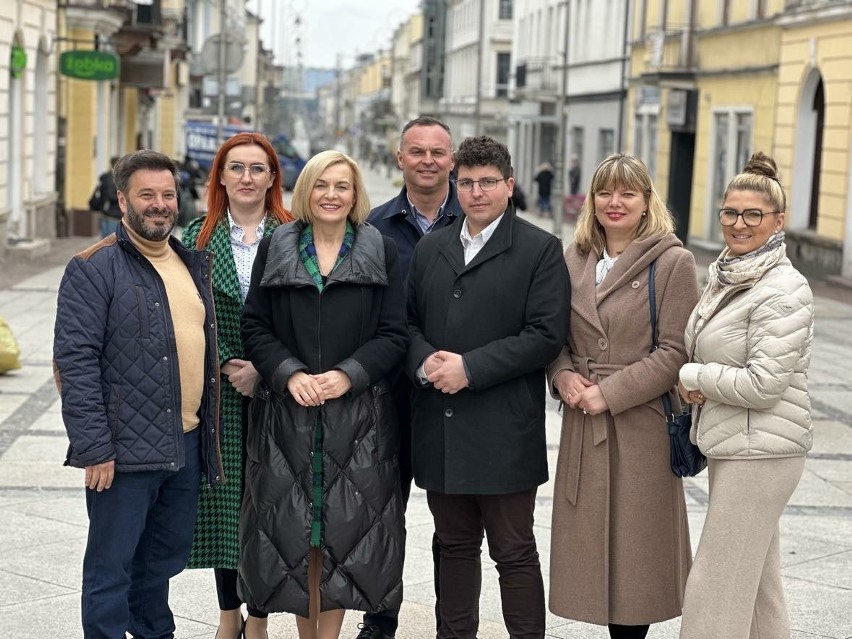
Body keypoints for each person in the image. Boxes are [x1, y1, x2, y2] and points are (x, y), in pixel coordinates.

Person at [239, 150, 409, 639]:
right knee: (296, 540)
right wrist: (290, 374)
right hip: (287, 421)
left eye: (342, 186)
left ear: (356, 195)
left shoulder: (379, 248)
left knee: (341, 541)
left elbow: (394, 333)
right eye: (322, 185)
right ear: (306, 191)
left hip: (356, 422)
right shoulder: (278, 246)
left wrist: (347, 374)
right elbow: (256, 325)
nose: (332, 195)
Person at [53, 150, 223, 638]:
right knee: (110, 571)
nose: (160, 204)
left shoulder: (191, 263)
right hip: (121, 457)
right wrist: (94, 448)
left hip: (185, 444)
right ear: (123, 200)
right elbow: (74, 363)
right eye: (147, 195)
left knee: (159, 566)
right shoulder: (93, 267)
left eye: (167, 195)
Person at [406, 136, 571, 638]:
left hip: (504, 432)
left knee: (513, 551)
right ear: (456, 185)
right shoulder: (432, 245)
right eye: (468, 182)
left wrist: (470, 369)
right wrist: (425, 363)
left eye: (488, 182)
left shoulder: (540, 249)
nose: (477, 192)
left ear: (509, 185)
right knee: (452, 547)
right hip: (442, 428)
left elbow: (545, 335)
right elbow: (406, 324)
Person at [546, 153, 699, 639]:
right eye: (605, 193)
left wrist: (609, 394)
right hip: (583, 421)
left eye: (627, 193)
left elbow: (676, 351)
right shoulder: (572, 258)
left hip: (639, 425)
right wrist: (563, 376)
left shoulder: (674, 261)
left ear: (646, 201)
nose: (615, 203)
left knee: (636, 559)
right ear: (591, 201)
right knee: (592, 551)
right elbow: (552, 336)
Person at [677, 152, 814, 638]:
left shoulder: (783, 288)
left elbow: (764, 383)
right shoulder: (730, 274)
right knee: (757, 586)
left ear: (778, 221)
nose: (739, 224)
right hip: (739, 445)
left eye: (753, 214)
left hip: (763, 453)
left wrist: (694, 375)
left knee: (715, 584)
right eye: (731, 212)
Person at [182, 132, 293, 639]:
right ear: (220, 176)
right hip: (219, 390)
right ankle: (230, 615)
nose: (246, 178)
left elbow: (307, 316)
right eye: (236, 168)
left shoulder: (297, 235)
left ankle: (262, 616)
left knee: (271, 500)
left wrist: (266, 369)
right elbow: (184, 316)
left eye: (257, 168)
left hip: (283, 388)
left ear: (273, 178)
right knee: (226, 503)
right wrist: (229, 363)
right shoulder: (194, 238)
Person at [360, 115, 462, 639]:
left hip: (458, 390)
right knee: (384, 512)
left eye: (437, 152)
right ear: (399, 158)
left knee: (454, 522)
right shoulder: (373, 228)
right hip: (390, 393)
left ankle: (453, 622)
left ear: (453, 160)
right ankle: (381, 616)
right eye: (416, 151)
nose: (427, 161)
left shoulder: (478, 221)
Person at [95, 156, 123, 237]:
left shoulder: (107, 177)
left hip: (106, 212)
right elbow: (110, 196)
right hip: (113, 214)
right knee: (111, 241)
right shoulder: (113, 178)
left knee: (106, 241)